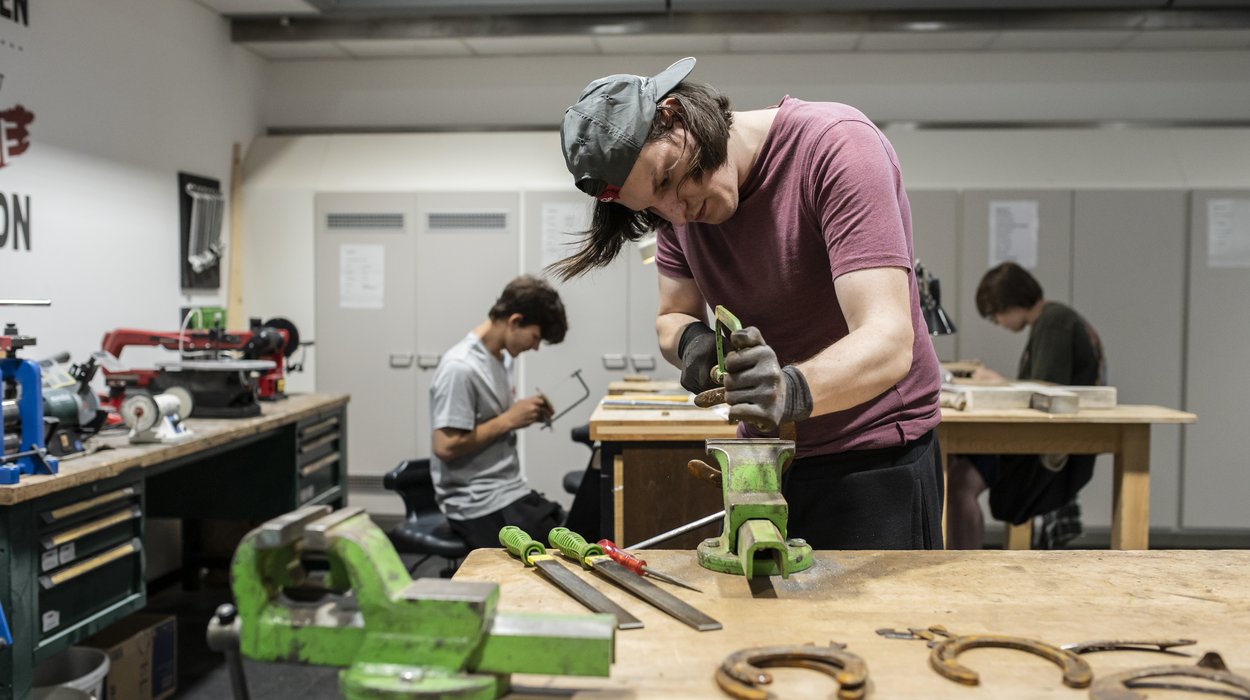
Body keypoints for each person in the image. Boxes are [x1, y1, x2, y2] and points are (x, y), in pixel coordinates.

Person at [552, 57, 944, 549]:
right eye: (651, 210)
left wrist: (789, 390)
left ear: (677, 117)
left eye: (668, 180)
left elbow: (888, 340)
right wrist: (692, 344)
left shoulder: (836, 147)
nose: (676, 214)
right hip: (762, 458)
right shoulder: (677, 215)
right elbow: (672, 316)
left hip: (874, 455)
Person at [946, 262, 1107, 550]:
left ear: (1010, 303)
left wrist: (1000, 383)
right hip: (1047, 440)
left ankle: (964, 567)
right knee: (957, 472)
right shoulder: (1053, 321)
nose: (999, 323)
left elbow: (1045, 391)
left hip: (1046, 445)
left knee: (959, 483)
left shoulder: (1054, 322)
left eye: (996, 316)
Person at [429, 275, 569, 549]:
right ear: (515, 321)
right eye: (535, 337)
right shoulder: (460, 367)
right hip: (476, 500)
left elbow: (492, 419)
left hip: (507, 489)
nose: (535, 347)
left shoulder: (501, 359)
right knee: (552, 553)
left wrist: (526, 412)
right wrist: (509, 419)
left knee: (569, 529)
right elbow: (445, 446)